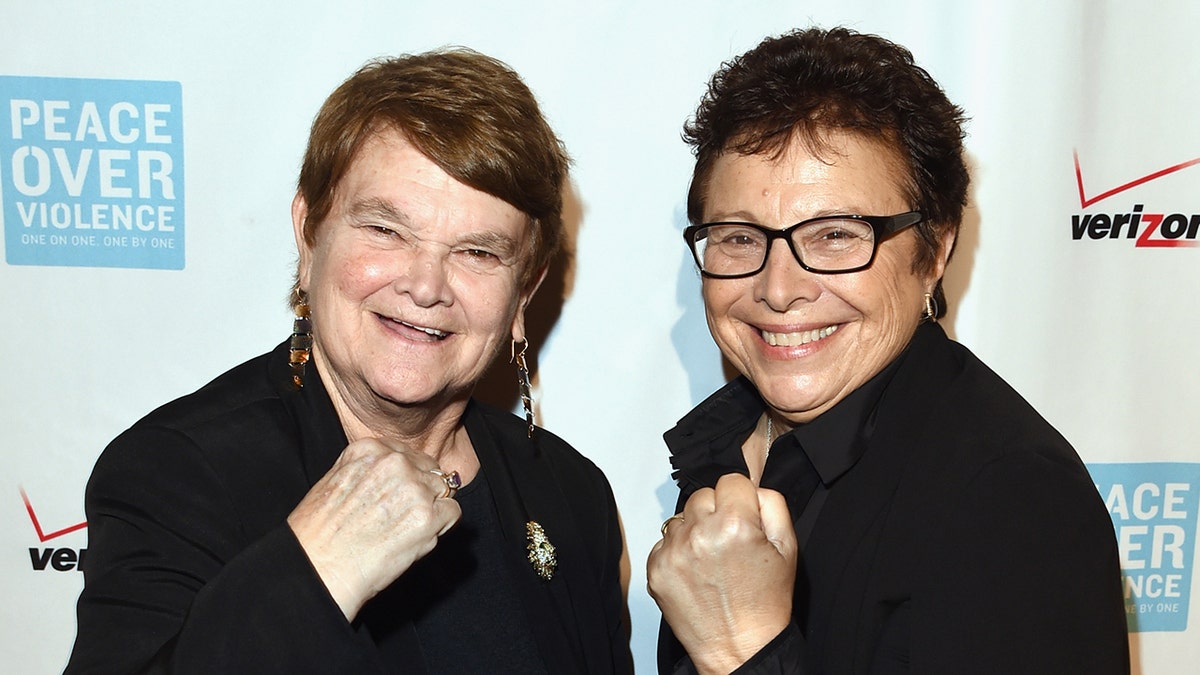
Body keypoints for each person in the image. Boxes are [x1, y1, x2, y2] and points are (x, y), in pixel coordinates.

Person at [66, 48, 632, 674]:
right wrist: (314, 573)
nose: (425, 285)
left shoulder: (569, 493)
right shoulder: (177, 473)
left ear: (523, 294)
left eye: (477, 252)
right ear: (309, 238)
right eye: (386, 230)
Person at [647, 27, 1128, 674]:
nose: (779, 289)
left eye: (836, 236)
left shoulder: (1012, 500)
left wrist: (744, 651)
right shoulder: (729, 445)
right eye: (738, 237)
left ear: (934, 250)